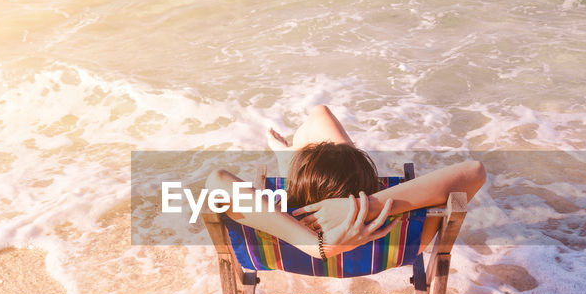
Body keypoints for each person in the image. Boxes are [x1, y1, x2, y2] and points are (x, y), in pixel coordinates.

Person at [205, 105, 486, 259]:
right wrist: (367, 207)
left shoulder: (278, 215)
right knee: (324, 119)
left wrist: (313, 245)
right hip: (383, 252)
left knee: (321, 117)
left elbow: (217, 179)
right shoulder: (402, 230)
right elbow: (474, 171)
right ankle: (292, 160)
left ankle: (288, 162)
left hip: (293, 240)